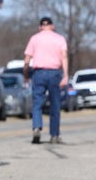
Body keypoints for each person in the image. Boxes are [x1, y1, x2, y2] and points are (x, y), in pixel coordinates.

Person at [22, 16, 68, 144]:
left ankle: (36, 127)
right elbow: (64, 57)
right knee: (55, 104)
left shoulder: (34, 38)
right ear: (52, 26)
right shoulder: (60, 39)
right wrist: (65, 75)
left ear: (40, 27)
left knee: (37, 103)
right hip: (54, 73)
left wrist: (25, 74)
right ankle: (54, 135)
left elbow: (27, 60)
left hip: (39, 73)